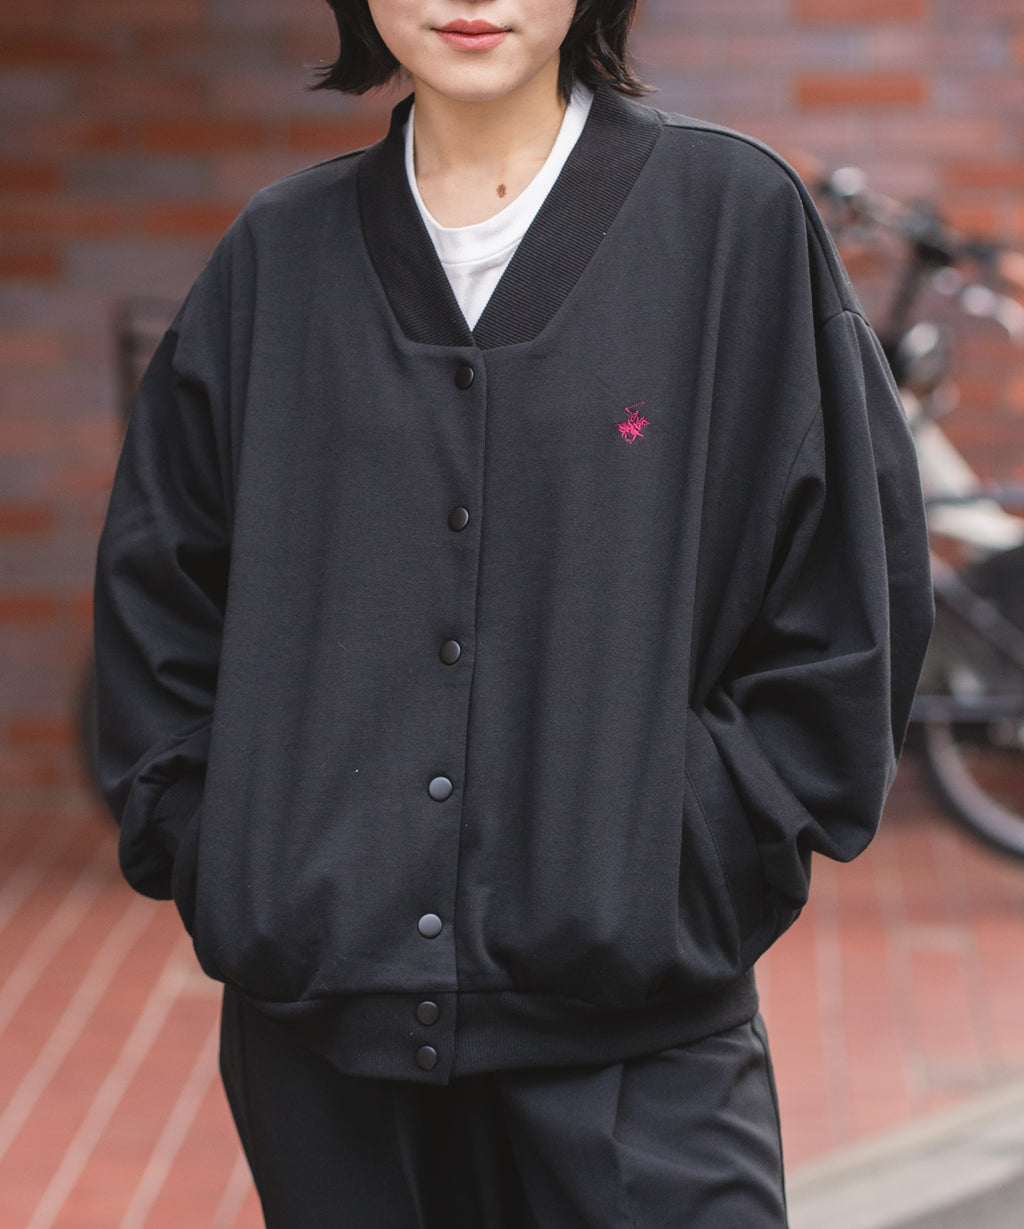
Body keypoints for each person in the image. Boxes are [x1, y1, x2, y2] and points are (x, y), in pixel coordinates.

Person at [93, 1, 934, 1225]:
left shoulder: (729, 222)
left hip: (639, 1035)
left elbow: (848, 588)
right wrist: (232, 855)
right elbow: (159, 593)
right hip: (327, 1049)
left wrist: (697, 850)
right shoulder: (277, 254)